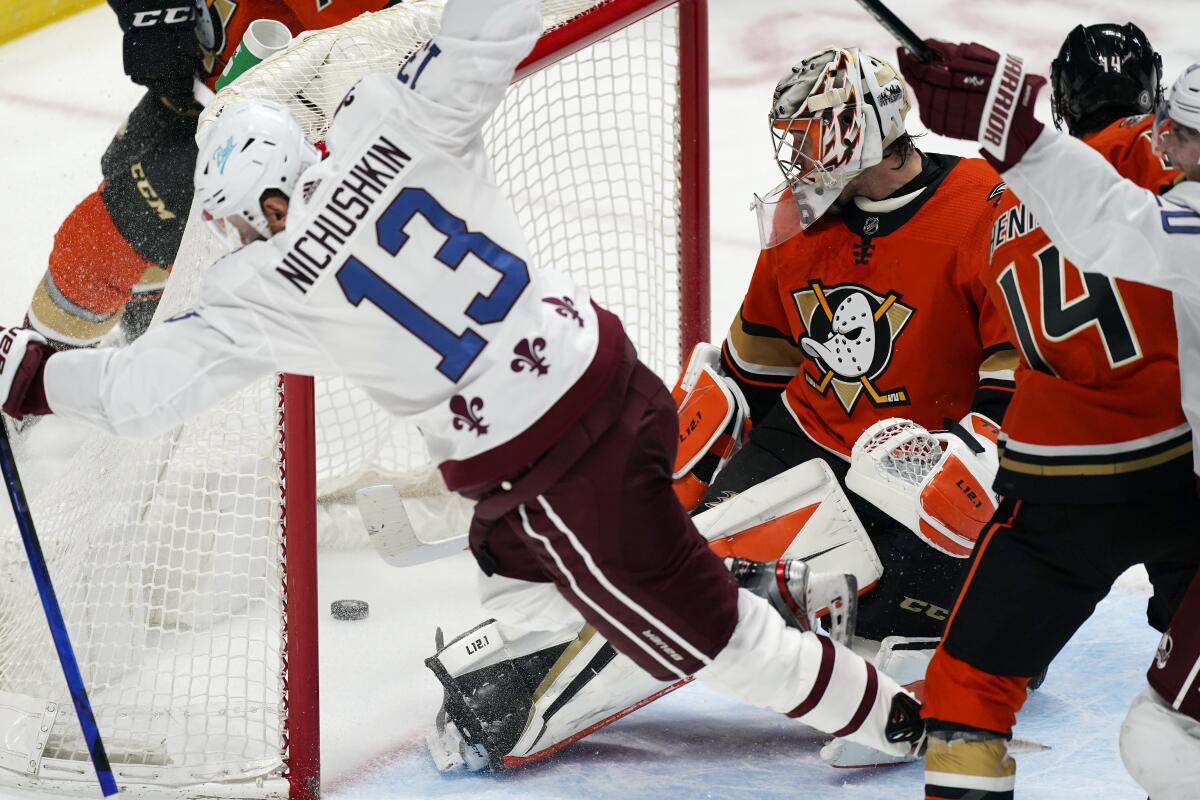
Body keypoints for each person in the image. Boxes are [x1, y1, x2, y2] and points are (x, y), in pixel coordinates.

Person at [0, 0, 925, 777]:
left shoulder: (266, 287)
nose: (237, 239)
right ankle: (608, 585)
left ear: (270, 202)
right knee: (504, 548)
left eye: (242, 221)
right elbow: (489, 27)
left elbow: (140, 395)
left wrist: (33, 375)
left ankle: (881, 714)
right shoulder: (397, 118)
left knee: (719, 638)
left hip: (557, 464)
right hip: (611, 373)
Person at [422, 46, 1016, 772]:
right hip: (805, 441)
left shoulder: (988, 206)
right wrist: (656, 491)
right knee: (687, 580)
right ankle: (516, 683)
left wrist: (966, 457)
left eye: (812, 138)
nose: (797, 158)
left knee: (902, 631)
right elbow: (747, 377)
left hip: (916, 471)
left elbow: (1023, 385)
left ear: (862, 131)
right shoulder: (801, 224)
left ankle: (898, 640)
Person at [896, 28, 1200, 800]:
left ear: (1062, 100)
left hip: (1052, 482)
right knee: (1179, 721)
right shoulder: (1157, 154)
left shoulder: (994, 199)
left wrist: (1011, 134)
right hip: (1178, 471)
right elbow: (1121, 213)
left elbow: (983, 336)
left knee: (966, 693)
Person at [24, 0, 389, 350]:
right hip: (203, 83)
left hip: (260, 135)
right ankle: (147, 351)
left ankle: (24, 388)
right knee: (125, 182)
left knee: (101, 244)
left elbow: (379, 54)